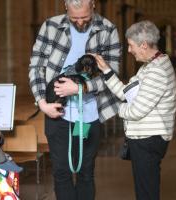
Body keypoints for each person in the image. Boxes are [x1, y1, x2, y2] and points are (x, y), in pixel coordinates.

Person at [28, 0, 121, 199]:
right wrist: (42, 103)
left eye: (85, 18)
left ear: (93, 5)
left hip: (90, 114)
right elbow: (36, 67)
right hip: (56, 112)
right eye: (74, 18)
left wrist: (81, 88)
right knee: (61, 172)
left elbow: (112, 74)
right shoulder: (51, 26)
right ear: (65, 7)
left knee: (85, 172)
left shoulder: (107, 29)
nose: (79, 23)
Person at [91, 20, 176, 200]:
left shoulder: (157, 72)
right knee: (145, 190)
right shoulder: (151, 65)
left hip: (148, 139)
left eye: (131, 45)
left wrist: (114, 107)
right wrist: (106, 71)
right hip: (145, 138)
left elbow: (135, 110)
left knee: (146, 193)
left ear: (144, 45)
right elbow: (126, 93)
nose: (129, 50)